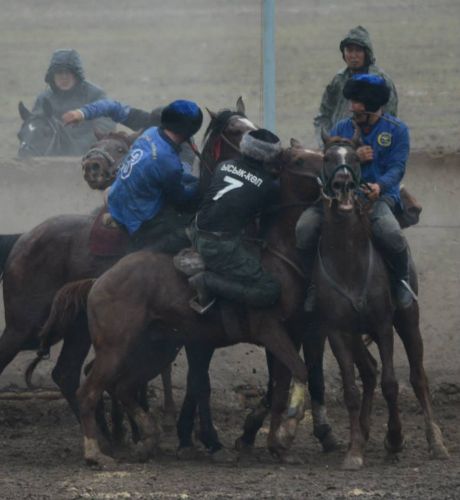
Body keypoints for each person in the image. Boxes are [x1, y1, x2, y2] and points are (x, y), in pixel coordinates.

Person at [297, 74, 414, 310]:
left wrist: (379, 186)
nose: (352, 109)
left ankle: (402, 281)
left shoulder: (397, 130)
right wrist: (355, 157)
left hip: (378, 197)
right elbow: (330, 161)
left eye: (357, 104)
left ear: (372, 105)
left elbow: (397, 167)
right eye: (351, 103)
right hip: (338, 195)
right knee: (304, 228)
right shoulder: (342, 127)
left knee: (391, 234)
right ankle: (310, 284)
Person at [188, 128, 282, 313]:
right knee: (270, 290)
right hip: (219, 247)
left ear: (244, 146)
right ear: (270, 156)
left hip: (195, 230)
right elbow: (265, 221)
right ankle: (208, 282)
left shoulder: (224, 165)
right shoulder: (269, 186)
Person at [106, 99, 203, 253]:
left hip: (116, 202)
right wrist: (201, 187)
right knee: (188, 231)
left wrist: (194, 181)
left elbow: (164, 174)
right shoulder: (168, 161)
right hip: (137, 220)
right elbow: (180, 199)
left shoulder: (151, 132)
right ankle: (145, 253)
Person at [313, 26, 398, 146]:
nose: (353, 55)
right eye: (349, 50)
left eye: (358, 50)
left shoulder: (380, 81)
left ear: (366, 53)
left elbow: (389, 119)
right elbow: (323, 115)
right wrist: (326, 143)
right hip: (337, 148)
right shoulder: (339, 79)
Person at [62, 99, 195, 165]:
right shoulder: (148, 120)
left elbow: (183, 177)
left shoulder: (186, 150)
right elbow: (112, 107)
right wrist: (82, 113)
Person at [31, 49, 115, 154]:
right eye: (59, 73)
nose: (64, 77)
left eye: (68, 72)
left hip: (90, 154)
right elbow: (34, 128)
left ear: (76, 75)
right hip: (50, 154)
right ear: (52, 76)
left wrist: (79, 146)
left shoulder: (95, 95)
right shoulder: (44, 99)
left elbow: (105, 126)